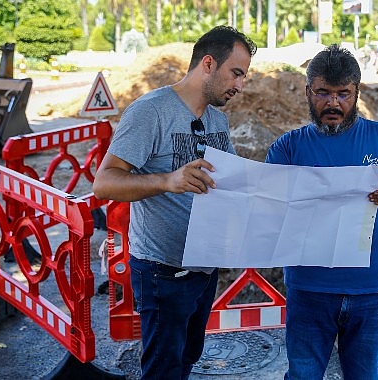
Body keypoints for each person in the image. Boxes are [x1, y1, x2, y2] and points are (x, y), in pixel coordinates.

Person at [265, 44, 378, 380]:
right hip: (310, 289)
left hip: (372, 291)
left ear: (357, 92)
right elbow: (266, 204)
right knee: (303, 374)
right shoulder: (288, 147)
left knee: (364, 375)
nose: (333, 103)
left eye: (343, 94)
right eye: (323, 93)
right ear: (307, 91)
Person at [92, 26, 256, 379]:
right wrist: (169, 180)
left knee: (186, 359)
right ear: (209, 64)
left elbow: (228, 182)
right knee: (163, 370)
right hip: (162, 271)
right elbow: (104, 183)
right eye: (237, 73)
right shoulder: (150, 112)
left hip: (204, 266)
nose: (240, 86)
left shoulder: (217, 119)